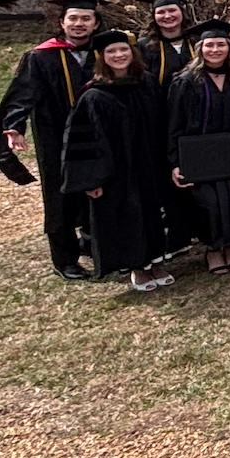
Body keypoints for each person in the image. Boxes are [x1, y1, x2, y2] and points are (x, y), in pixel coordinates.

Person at [0, 0, 103, 278]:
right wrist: (14, 125)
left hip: (96, 135)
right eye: (73, 19)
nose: (79, 24)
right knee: (60, 195)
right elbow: (22, 93)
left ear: (96, 23)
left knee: (99, 187)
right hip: (56, 136)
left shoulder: (104, 52)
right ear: (62, 22)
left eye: (86, 19)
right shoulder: (40, 56)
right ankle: (64, 259)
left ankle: (93, 243)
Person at [58, 28, 175, 290]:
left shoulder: (145, 83)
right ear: (101, 57)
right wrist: (92, 179)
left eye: (124, 49)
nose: (119, 55)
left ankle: (156, 262)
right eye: (111, 51)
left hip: (149, 164)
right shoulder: (94, 95)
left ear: (133, 53)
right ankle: (137, 268)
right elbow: (85, 141)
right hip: (116, 173)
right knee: (127, 216)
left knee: (153, 213)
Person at [167, 18, 230, 273]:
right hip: (198, 153)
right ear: (200, 49)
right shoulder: (184, 81)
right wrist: (175, 161)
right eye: (209, 45)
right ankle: (213, 249)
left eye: (220, 45)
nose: (215, 50)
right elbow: (174, 123)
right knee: (208, 201)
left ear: (229, 48)